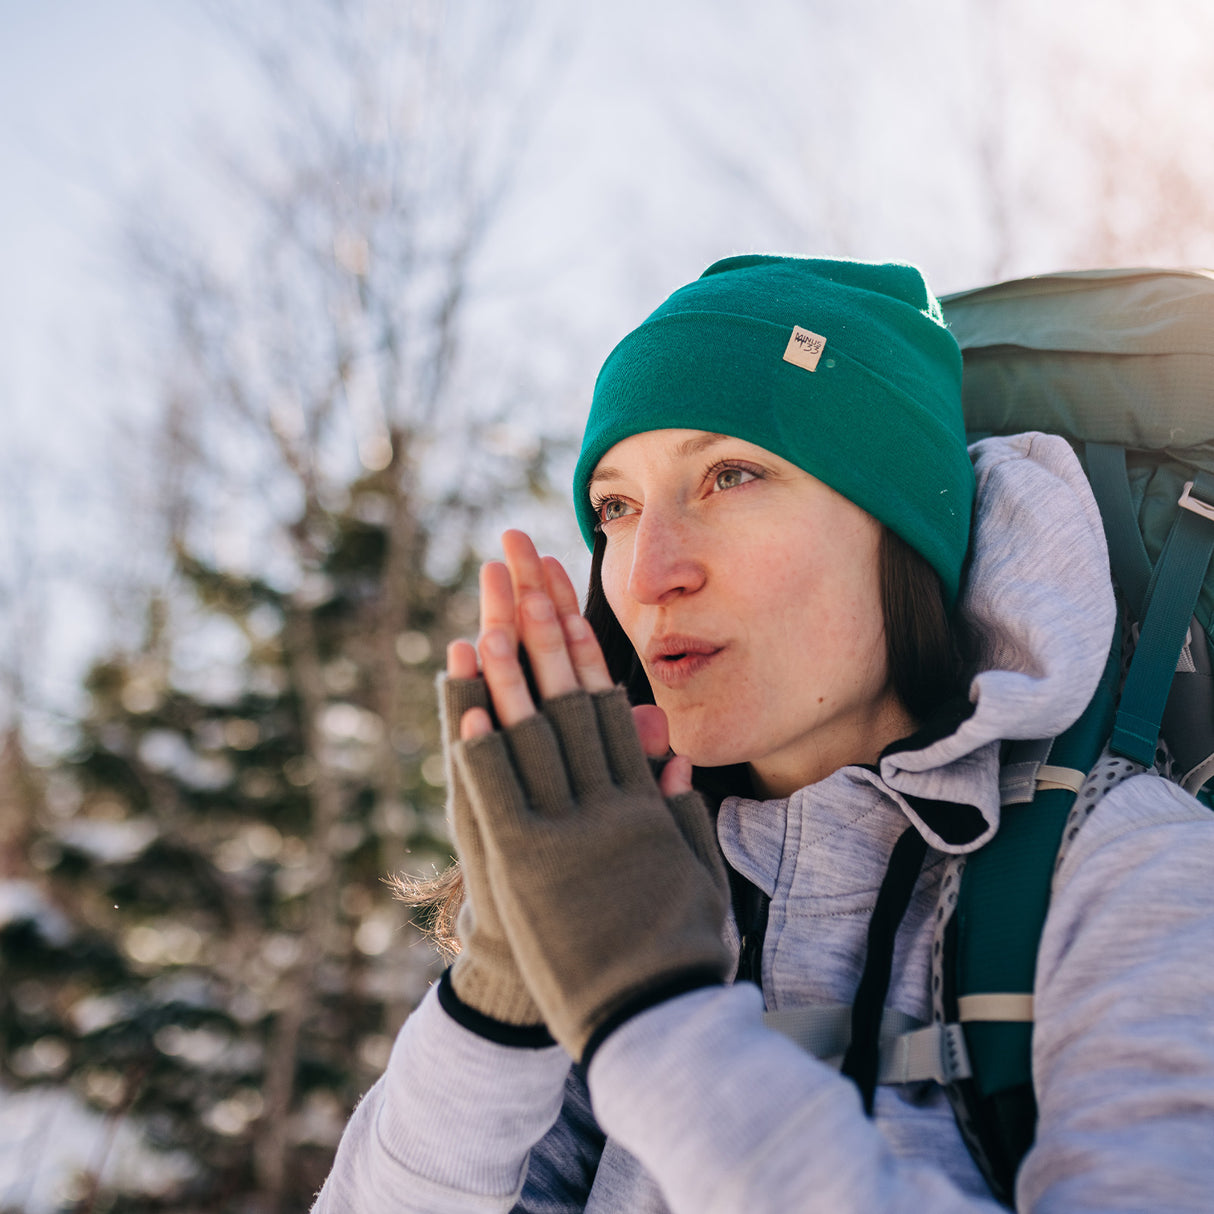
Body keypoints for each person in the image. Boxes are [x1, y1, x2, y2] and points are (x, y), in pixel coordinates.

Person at [312, 255, 1214, 1213]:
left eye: (730, 475)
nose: (648, 573)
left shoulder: (1132, 871)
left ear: (900, 524)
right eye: (616, 507)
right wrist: (501, 989)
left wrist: (654, 1012)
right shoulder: (629, 883)